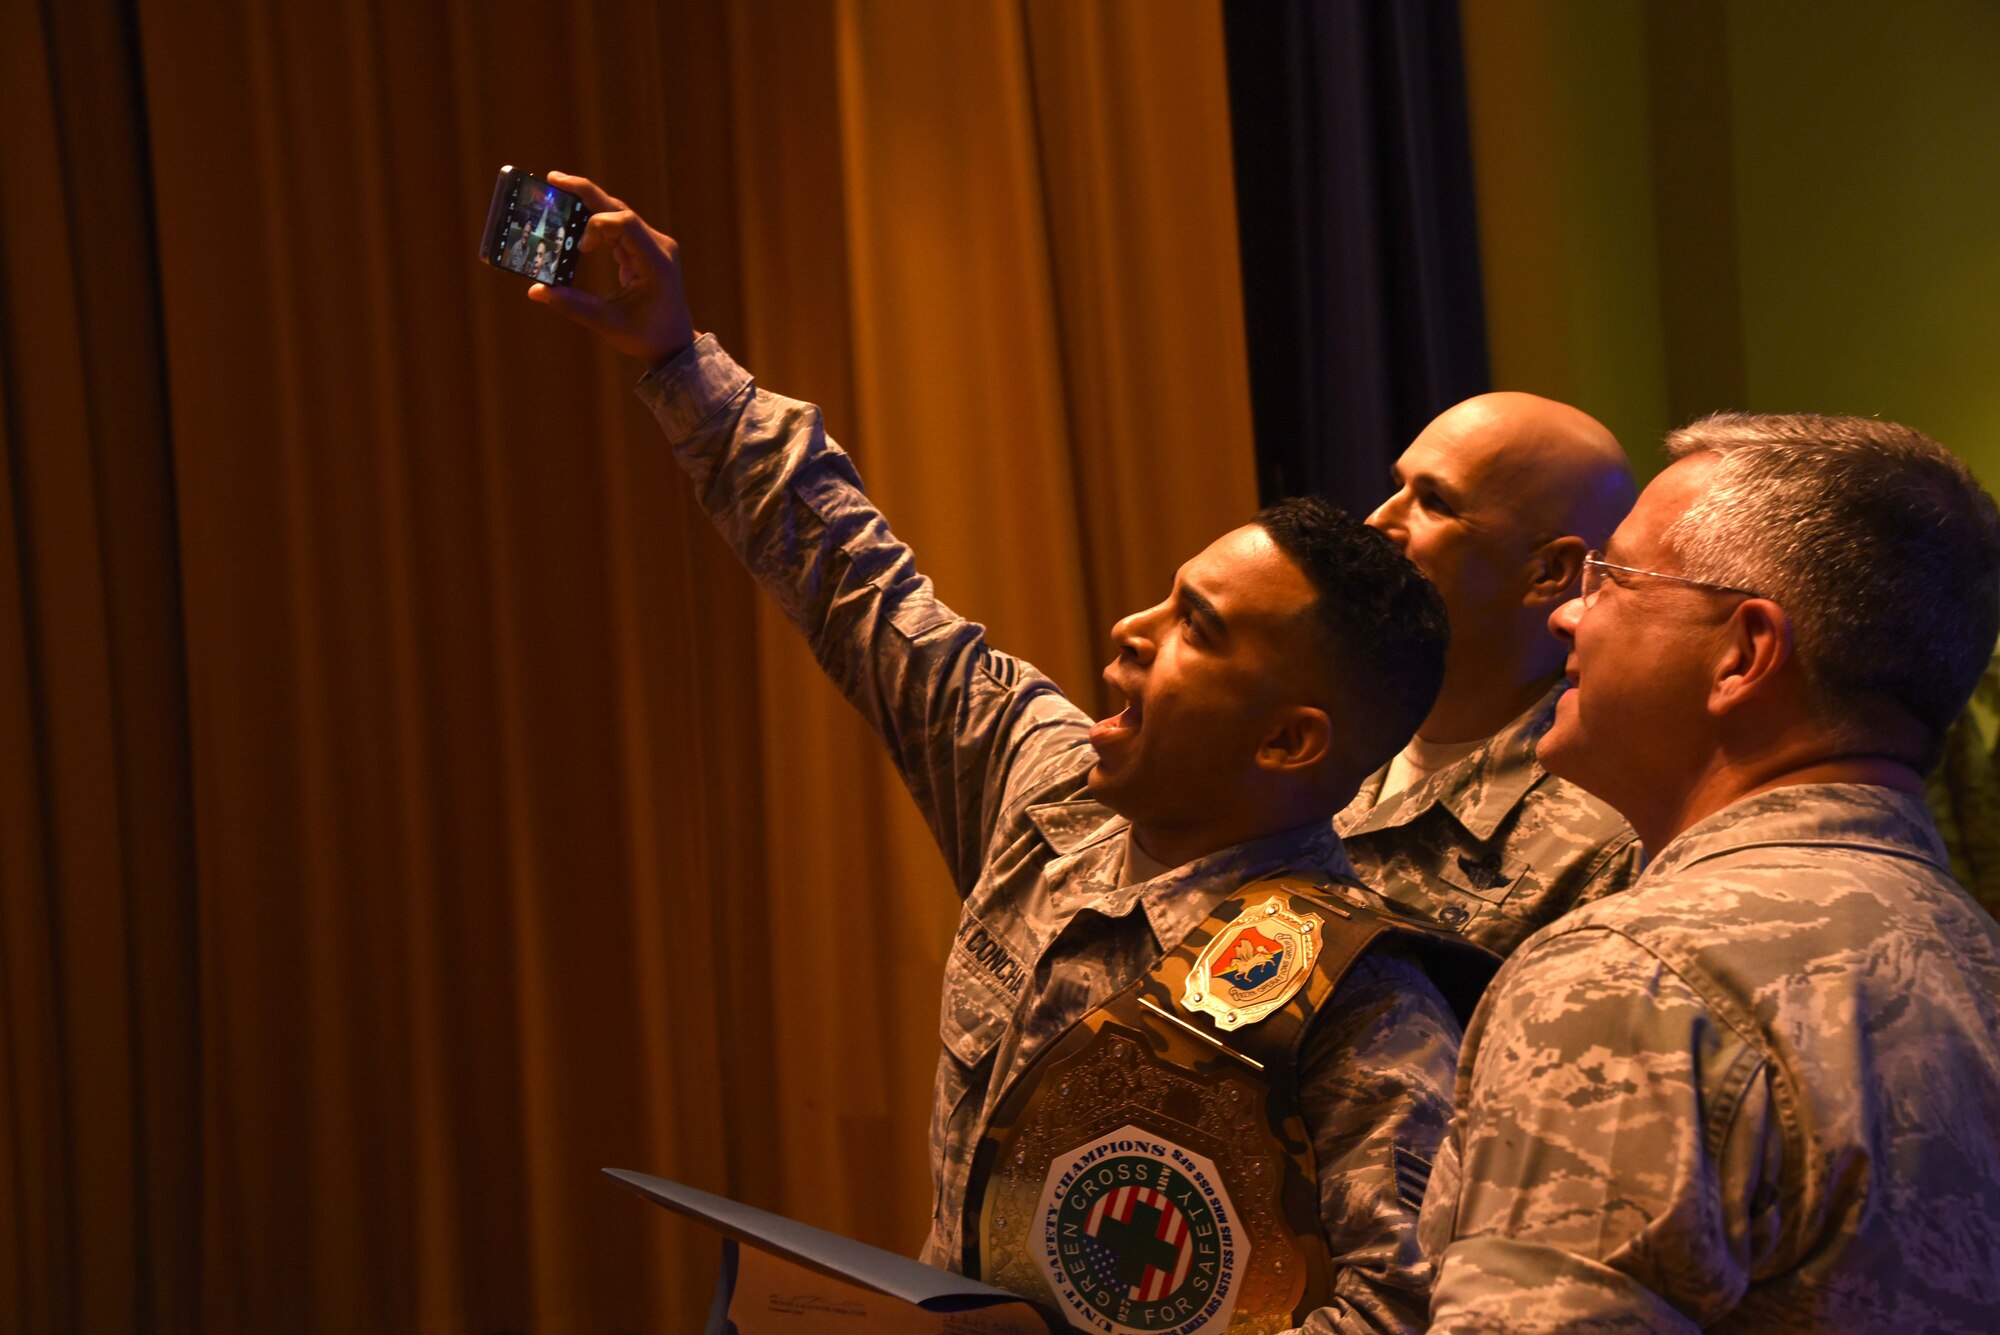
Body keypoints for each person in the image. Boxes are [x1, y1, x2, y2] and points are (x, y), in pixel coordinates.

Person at [529, 172, 1481, 1333]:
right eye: (1163, 599)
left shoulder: (1366, 1004)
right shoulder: (1050, 795)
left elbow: (1403, 1318)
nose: (1129, 632)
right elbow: (860, 590)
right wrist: (676, 359)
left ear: (1289, 740)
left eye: (1196, 630)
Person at [1419, 412, 2000, 1329]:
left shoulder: (1631, 976)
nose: (1568, 609)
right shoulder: (1973, 956)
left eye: (1610, 577)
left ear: (1743, 653)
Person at [1339, 398, 1643, 955]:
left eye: (1434, 503)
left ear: (1548, 572)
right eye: (1397, 487)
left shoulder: (1610, 837)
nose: (1377, 521)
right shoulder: (1313, 737)